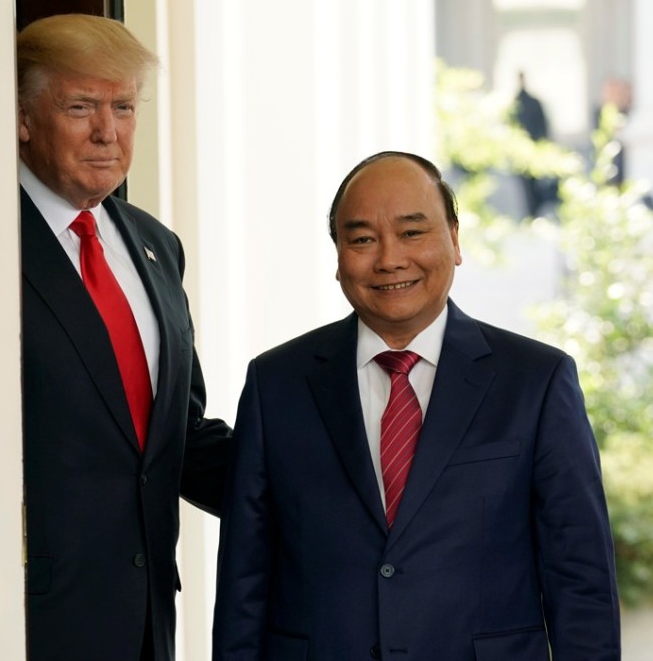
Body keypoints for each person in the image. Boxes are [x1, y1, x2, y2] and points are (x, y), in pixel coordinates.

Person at [212, 151, 620, 660]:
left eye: (412, 233)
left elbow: (581, 579)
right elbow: (243, 579)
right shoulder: (276, 383)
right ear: (338, 255)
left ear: (454, 239)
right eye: (361, 239)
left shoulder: (536, 381)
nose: (389, 259)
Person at [16, 14, 231, 661]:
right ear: (23, 117)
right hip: (31, 621)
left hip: (146, 618)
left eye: (124, 107)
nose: (108, 132)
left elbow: (178, 439)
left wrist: (312, 481)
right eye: (81, 107)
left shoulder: (155, 245)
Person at [512, 71, 555, 217]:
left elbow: (543, 127)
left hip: (533, 150)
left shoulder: (532, 102)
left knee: (535, 185)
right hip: (521, 151)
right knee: (526, 187)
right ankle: (531, 214)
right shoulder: (514, 103)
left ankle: (535, 213)